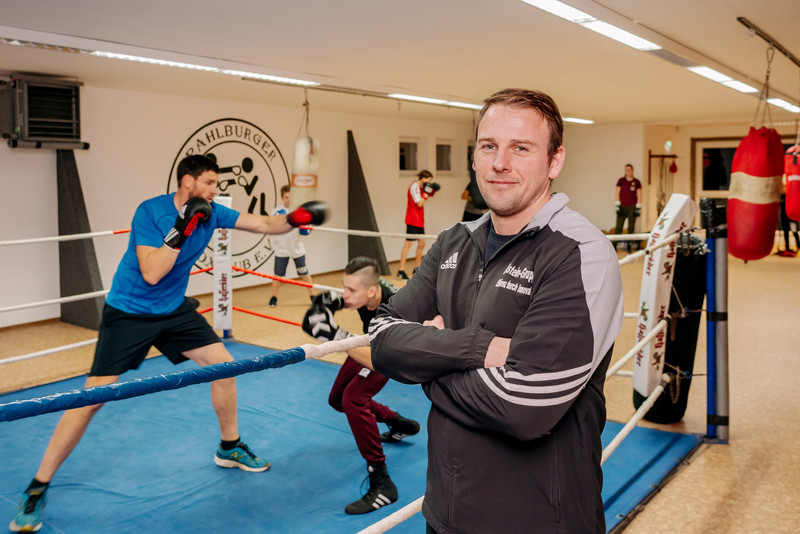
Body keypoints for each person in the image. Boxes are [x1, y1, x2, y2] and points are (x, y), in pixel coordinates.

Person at [9, 154, 327, 533]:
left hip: (173, 310)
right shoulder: (151, 212)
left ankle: (229, 447)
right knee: (91, 399)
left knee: (225, 367)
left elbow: (263, 222)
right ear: (187, 182)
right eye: (209, 183)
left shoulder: (212, 211)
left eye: (216, 183)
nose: (215, 190)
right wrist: (181, 227)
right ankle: (37, 487)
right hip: (129, 312)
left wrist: (294, 219)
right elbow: (152, 272)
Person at [369, 88, 624, 534]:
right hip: (446, 514)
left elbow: (524, 404)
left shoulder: (580, 253)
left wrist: (428, 363)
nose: (499, 163)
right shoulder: (453, 241)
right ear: (474, 157)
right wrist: (478, 348)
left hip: (540, 521)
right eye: (488, 146)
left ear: (554, 161)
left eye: (520, 148)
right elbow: (382, 339)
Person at [301, 256, 420, 515]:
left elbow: (380, 362)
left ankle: (382, 481)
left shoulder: (393, 310)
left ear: (372, 291)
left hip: (394, 354)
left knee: (353, 398)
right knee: (336, 399)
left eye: (350, 290)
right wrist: (324, 306)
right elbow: (345, 303)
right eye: (344, 287)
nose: (345, 294)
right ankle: (399, 423)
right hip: (372, 343)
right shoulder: (365, 290)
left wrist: (335, 336)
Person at [269, 185, 315, 306]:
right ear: (282, 198)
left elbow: (306, 231)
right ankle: (273, 297)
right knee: (278, 276)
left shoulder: (300, 212)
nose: (288, 200)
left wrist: (308, 228)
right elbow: (272, 227)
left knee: (304, 273)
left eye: (291, 197)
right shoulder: (276, 212)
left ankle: (312, 296)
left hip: (297, 249)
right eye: (286, 197)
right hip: (281, 249)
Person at [397, 170, 438, 280]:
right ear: (423, 179)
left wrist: (432, 191)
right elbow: (419, 202)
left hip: (419, 219)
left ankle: (417, 267)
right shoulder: (414, 186)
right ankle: (401, 270)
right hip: (412, 219)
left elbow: (426, 197)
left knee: (422, 243)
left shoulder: (421, 187)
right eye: (428, 180)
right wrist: (426, 193)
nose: (429, 183)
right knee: (408, 244)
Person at [614, 163, 642, 250]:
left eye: (629, 170)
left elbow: (639, 194)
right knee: (618, 227)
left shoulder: (636, 182)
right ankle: (614, 246)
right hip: (622, 206)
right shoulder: (621, 181)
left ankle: (629, 245)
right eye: (626, 170)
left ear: (632, 170)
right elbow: (617, 192)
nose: (628, 171)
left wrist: (638, 207)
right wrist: (617, 205)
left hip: (632, 207)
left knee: (631, 227)